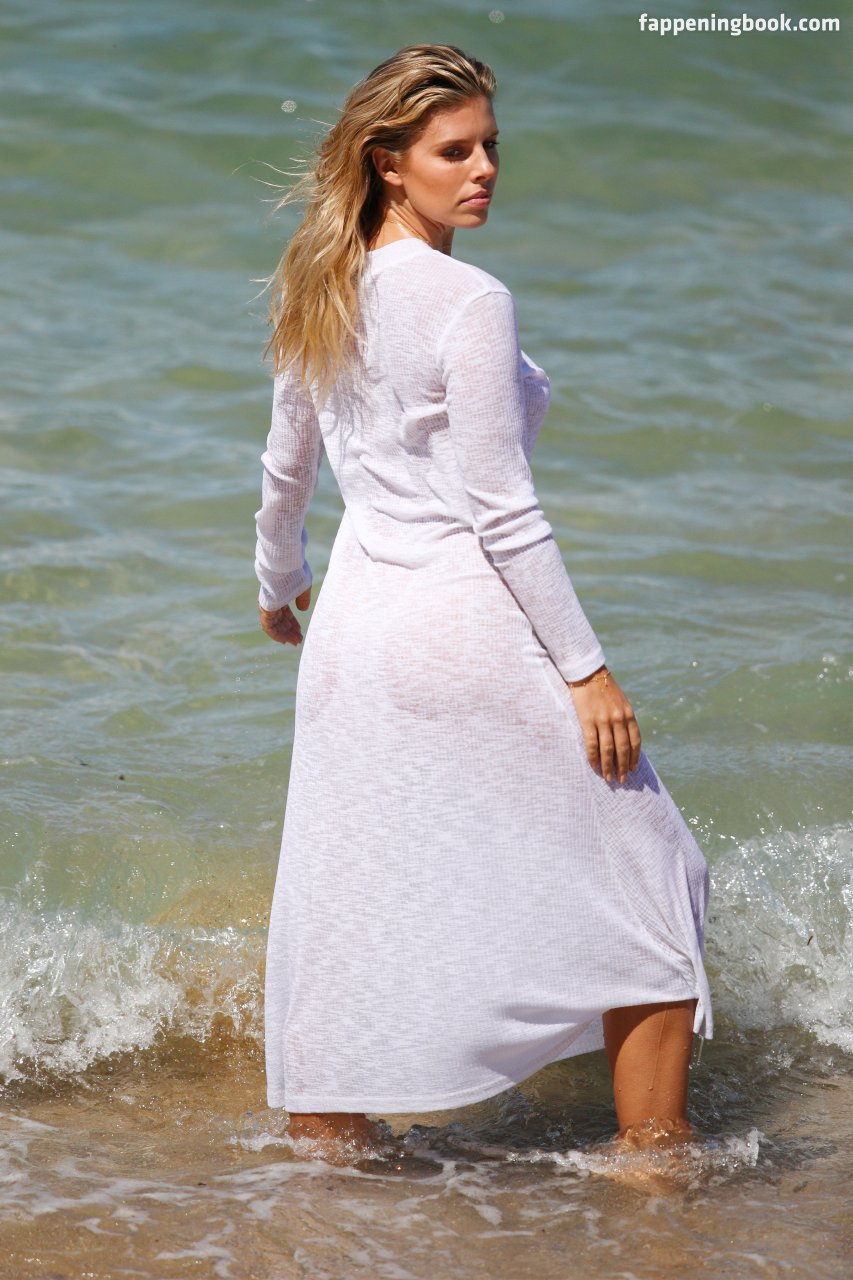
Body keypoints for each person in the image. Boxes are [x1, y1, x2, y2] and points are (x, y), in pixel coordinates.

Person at [254, 43, 713, 1163]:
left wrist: (277, 584)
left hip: (354, 630)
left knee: (357, 897)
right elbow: (503, 511)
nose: (484, 170)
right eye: (453, 151)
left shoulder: (319, 281)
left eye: (490, 147)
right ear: (388, 162)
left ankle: (328, 1159)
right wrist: (585, 669)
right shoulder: (469, 299)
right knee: (654, 879)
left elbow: (286, 467)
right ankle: (654, 1169)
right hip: (462, 620)